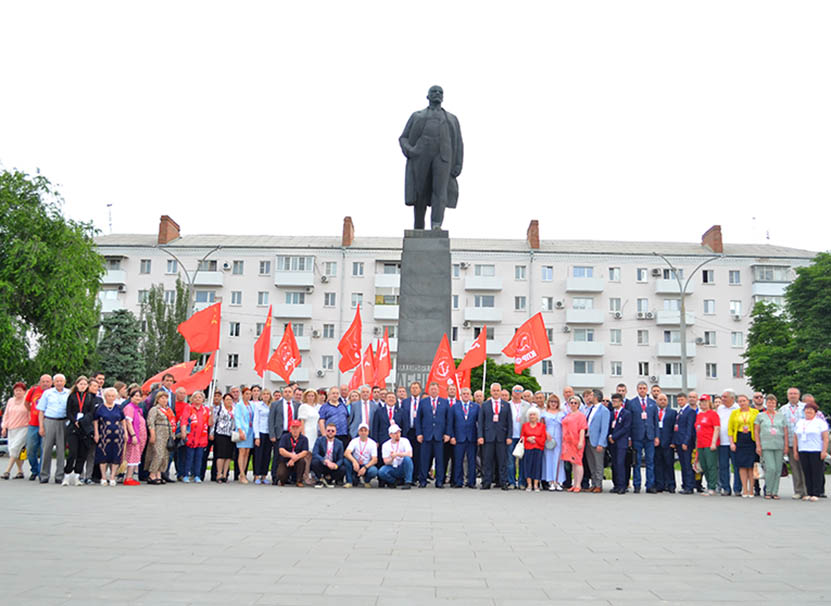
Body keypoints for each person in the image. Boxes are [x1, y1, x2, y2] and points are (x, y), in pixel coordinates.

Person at [399, 84, 464, 230]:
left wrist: (458, 164)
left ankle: (436, 225)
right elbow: (403, 138)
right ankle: (419, 226)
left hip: (443, 156)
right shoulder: (417, 116)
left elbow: (458, 143)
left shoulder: (452, 119)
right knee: (420, 191)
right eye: (434, 91)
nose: (437, 93)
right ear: (427, 96)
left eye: (440, 92)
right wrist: (411, 150)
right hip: (421, 155)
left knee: (440, 191)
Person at [625, 381, 659, 493]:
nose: (642, 390)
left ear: (647, 390)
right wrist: (629, 438)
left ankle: (650, 485)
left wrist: (656, 436)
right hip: (636, 436)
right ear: (637, 390)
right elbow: (629, 422)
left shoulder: (652, 403)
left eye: (644, 388)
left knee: (650, 462)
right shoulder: (632, 403)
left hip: (650, 436)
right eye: (640, 388)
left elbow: (655, 421)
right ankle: (637, 484)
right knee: (637, 462)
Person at [415, 382, 450, 488]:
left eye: (435, 389)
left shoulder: (444, 402)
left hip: (439, 436)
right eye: (432, 389)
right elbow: (418, 419)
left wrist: (447, 433)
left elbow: (448, 419)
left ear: (438, 390)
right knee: (424, 459)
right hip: (426, 435)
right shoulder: (423, 402)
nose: (433, 391)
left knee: (440, 460)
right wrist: (419, 433)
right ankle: (422, 480)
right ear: (429, 391)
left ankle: (439, 481)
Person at [63, 375, 97, 486]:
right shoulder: (72, 397)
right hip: (73, 427)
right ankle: (67, 475)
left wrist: (82, 421)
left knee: (82, 453)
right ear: (77, 385)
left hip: (85, 428)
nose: (83, 386)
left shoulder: (90, 397)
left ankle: (78, 476)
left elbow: (91, 412)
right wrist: (75, 421)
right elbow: (68, 412)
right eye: (81, 384)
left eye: (85, 384)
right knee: (72, 453)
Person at [793, 401, 828, 502]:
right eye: (807, 409)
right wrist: (795, 451)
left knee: (816, 472)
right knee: (806, 472)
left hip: (816, 450)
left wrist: (824, 451)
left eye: (811, 410)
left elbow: (825, 438)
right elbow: (795, 437)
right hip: (803, 449)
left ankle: (816, 493)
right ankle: (809, 492)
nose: (808, 411)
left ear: (815, 412)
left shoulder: (820, 423)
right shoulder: (800, 422)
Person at [478, 383, 510, 490]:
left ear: (500, 391)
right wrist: (480, 436)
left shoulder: (506, 405)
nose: (496, 392)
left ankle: (503, 482)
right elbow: (481, 422)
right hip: (488, 437)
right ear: (491, 392)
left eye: (497, 390)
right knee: (487, 461)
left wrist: (509, 436)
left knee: (502, 461)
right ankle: (486, 482)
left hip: (502, 437)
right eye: (494, 391)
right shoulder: (485, 405)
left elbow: (509, 422)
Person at [755, 394, 787, 499]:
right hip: (766, 445)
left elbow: (785, 432)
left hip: (779, 445)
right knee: (771, 468)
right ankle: (768, 491)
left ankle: (775, 491)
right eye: (769, 402)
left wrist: (786, 446)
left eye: (773, 402)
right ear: (766, 403)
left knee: (778, 469)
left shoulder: (781, 416)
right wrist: (758, 445)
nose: (771, 404)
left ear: (776, 404)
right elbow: (756, 431)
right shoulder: (760, 416)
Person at [727, 394, 759, 498]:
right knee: (742, 465)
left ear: (748, 401)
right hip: (740, 439)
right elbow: (730, 429)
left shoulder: (755, 412)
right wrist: (732, 443)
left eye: (744, 401)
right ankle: (744, 489)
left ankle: (751, 490)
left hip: (751, 439)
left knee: (751, 465)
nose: (742, 403)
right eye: (740, 401)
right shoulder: (734, 413)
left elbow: (758, 427)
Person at [93, 387, 126, 486]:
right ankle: (103, 477)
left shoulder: (119, 408)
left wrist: (125, 432)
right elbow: (95, 421)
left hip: (117, 435)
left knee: (116, 455)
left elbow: (123, 420)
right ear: (105, 396)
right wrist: (96, 433)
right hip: (104, 435)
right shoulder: (100, 408)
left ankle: (112, 477)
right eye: (108, 396)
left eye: (112, 396)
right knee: (102, 455)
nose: (110, 398)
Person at [449, 387, 479, 489]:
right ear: (461, 395)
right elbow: (451, 423)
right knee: (458, 460)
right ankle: (458, 481)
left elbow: (479, 423)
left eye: (467, 394)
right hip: (458, 437)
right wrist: (452, 436)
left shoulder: (475, 407)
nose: (466, 395)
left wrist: (479, 436)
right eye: (464, 394)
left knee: (472, 461)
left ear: (470, 395)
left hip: (472, 437)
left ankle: (471, 482)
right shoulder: (455, 407)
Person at [24, 374, 51, 481]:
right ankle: (34, 469)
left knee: (44, 449)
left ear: (51, 383)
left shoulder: (53, 392)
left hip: (47, 424)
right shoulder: (33, 391)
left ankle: (41, 472)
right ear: (40, 382)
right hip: (33, 424)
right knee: (30, 449)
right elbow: (26, 403)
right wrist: (31, 412)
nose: (45, 383)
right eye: (43, 381)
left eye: (47, 381)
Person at [781, 387, 806, 499]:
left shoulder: (805, 407)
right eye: (790, 394)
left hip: (804, 443)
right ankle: (798, 491)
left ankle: (807, 491)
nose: (793, 395)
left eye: (795, 393)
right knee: (795, 468)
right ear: (787, 396)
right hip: (790, 443)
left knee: (805, 467)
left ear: (799, 395)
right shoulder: (783, 409)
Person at [180, 391, 211, 483]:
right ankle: (186, 474)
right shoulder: (189, 408)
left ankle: (197, 475)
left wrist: (212, 412)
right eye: (196, 397)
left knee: (199, 457)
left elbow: (210, 423)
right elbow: (184, 420)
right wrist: (183, 431)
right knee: (189, 456)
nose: (198, 399)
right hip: (191, 436)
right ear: (192, 399)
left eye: (200, 397)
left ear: (203, 399)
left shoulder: (205, 410)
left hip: (202, 437)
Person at [145, 392, 175, 485]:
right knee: (158, 454)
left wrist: (172, 434)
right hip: (158, 433)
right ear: (157, 399)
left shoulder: (169, 410)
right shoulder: (155, 409)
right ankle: (152, 474)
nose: (164, 400)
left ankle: (159, 473)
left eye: (166, 398)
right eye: (162, 398)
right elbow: (151, 422)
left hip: (167, 434)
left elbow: (172, 422)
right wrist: (152, 434)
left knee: (165, 455)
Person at [584, 389, 610, 493]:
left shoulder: (604, 410)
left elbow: (604, 428)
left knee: (598, 464)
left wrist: (601, 443)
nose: (589, 397)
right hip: (588, 439)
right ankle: (593, 483)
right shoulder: (590, 409)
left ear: (596, 397)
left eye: (591, 395)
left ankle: (599, 484)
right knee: (591, 463)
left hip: (597, 441)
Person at [716, 390, 741, 497]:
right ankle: (726, 488)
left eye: (725, 397)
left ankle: (737, 488)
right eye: (722, 397)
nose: (722, 399)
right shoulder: (720, 408)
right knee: (723, 466)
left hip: (735, 442)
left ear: (732, 398)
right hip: (722, 442)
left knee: (736, 466)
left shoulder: (738, 408)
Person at [2, 382, 29, 480]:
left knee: (15, 448)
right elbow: (6, 415)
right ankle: (20, 471)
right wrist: (4, 427)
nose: (18, 392)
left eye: (20, 390)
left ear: (24, 391)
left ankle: (7, 471)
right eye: (16, 390)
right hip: (12, 428)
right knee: (14, 450)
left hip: (23, 427)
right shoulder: (10, 401)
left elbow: (30, 414)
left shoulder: (26, 401)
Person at [505, 385, 531, 489]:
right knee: (510, 461)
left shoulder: (527, 405)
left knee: (522, 461)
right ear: (512, 392)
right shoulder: (507, 405)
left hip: (522, 437)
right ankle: (511, 482)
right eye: (515, 390)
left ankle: (521, 482)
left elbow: (529, 421)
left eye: (520, 391)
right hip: (510, 436)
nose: (517, 392)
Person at [695, 395, 720, 495]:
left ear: (709, 403)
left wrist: (713, 442)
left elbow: (716, 428)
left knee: (711, 465)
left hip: (709, 443)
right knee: (704, 466)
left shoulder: (713, 414)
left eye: (705, 401)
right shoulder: (699, 415)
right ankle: (709, 483)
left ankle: (712, 487)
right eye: (702, 402)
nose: (703, 403)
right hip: (700, 444)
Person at [562, 396, 588, 493]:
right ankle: (574, 483)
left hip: (576, 441)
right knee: (573, 463)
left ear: (578, 405)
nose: (573, 404)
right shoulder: (568, 415)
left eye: (575, 403)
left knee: (578, 462)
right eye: (571, 403)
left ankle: (578, 484)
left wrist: (581, 441)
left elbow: (582, 429)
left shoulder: (581, 416)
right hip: (568, 442)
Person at [608, 393, 632, 494]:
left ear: (621, 402)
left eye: (616, 401)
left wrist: (614, 437)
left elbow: (625, 428)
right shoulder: (611, 413)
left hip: (621, 441)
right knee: (614, 464)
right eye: (613, 401)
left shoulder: (626, 413)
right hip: (612, 442)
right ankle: (616, 485)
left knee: (620, 463)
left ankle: (622, 485)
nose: (614, 403)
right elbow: (609, 426)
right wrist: (609, 436)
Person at [122, 387, 146, 486]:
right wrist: (133, 435)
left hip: (140, 436)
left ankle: (130, 476)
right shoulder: (129, 408)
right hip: (133, 436)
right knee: (132, 455)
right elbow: (128, 422)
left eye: (139, 396)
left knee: (135, 456)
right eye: (136, 396)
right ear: (131, 397)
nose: (138, 398)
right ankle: (128, 477)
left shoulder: (138, 408)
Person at [541, 394, 566, 491]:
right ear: (548, 403)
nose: (553, 404)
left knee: (558, 460)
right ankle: (550, 481)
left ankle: (558, 481)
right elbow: (542, 426)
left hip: (559, 438)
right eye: (551, 402)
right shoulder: (544, 413)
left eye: (555, 402)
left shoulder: (562, 413)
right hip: (548, 438)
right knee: (549, 459)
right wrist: (546, 433)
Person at [654, 393, 678, 493]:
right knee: (658, 464)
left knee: (669, 464)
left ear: (667, 401)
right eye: (660, 400)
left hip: (668, 443)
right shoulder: (653, 412)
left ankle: (671, 485)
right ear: (656, 401)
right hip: (656, 442)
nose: (662, 401)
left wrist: (673, 442)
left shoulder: (673, 413)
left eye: (664, 400)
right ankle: (660, 485)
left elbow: (675, 429)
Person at [674, 393, 697, 494]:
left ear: (686, 400)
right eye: (678, 400)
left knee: (687, 465)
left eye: (682, 400)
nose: (680, 402)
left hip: (685, 442)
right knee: (683, 464)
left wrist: (686, 442)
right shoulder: (681, 411)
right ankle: (685, 485)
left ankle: (689, 486)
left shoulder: (690, 411)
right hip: (679, 441)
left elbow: (689, 428)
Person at [378, 424, 413, 489]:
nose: (398, 435)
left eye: (399, 432)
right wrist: (392, 458)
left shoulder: (405, 441)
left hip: (402, 466)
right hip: (392, 466)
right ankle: (393, 481)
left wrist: (397, 454)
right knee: (382, 471)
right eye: (395, 433)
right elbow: (386, 462)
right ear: (390, 435)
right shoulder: (385, 445)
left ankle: (408, 482)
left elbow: (410, 454)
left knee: (407, 459)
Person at [311, 422, 346, 487]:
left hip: (332, 466)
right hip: (323, 464)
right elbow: (315, 453)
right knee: (314, 462)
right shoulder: (319, 440)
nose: (330, 432)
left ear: (335, 432)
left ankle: (329, 479)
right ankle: (320, 479)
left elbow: (341, 458)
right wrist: (325, 461)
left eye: (332, 431)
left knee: (343, 468)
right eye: (328, 430)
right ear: (325, 431)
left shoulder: (339, 443)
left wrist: (336, 465)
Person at [211, 393, 236, 483]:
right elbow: (214, 422)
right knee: (221, 455)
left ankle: (225, 475)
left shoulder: (234, 409)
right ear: (223, 400)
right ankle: (219, 474)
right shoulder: (220, 409)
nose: (229, 401)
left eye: (230, 400)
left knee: (228, 456)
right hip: (220, 434)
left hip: (230, 434)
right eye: (227, 399)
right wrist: (211, 433)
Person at [520, 407, 546, 492]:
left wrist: (535, 439)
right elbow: (522, 437)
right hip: (528, 448)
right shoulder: (525, 425)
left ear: (537, 416)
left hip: (538, 448)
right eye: (530, 415)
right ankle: (529, 484)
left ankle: (536, 485)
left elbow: (543, 438)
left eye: (534, 415)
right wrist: (527, 439)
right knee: (527, 466)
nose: (532, 416)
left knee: (537, 466)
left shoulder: (542, 426)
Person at [297, 388, 320, 485]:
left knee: (310, 455)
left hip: (314, 432)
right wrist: (303, 434)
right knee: (306, 455)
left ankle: (308, 474)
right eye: (309, 395)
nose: (311, 397)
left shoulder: (315, 407)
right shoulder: (303, 407)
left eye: (312, 396)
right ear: (306, 397)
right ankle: (305, 475)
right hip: (307, 431)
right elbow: (302, 421)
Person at [345, 423, 379, 487]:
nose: (363, 432)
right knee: (346, 461)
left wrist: (365, 467)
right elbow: (346, 453)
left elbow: (375, 459)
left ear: (368, 432)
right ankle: (349, 482)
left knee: (373, 471)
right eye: (361, 430)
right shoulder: (354, 441)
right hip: (356, 465)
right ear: (358, 432)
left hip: (366, 465)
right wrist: (354, 461)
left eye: (365, 430)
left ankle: (366, 481)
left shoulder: (372, 443)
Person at [276, 420, 309, 486]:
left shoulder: (304, 439)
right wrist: (291, 456)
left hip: (297, 461)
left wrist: (294, 459)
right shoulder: (285, 437)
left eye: (297, 428)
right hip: (286, 461)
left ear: (300, 429)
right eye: (293, 428)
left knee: (302, 461)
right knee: (281, 474)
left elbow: (305, 452)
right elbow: (281, 450)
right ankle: (282, 480)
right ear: (290, 428)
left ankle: (299, 481)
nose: (295, 430)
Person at [402, 381, 422, 483]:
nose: (414, 389)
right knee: (407, 454)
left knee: (418, 455)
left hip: (419, 432)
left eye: (416, 388)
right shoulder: (405, 402)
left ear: (420, 390)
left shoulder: (424, 401)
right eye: (413, 388)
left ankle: (415, 477)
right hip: (407, 431)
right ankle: (406, 476)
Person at [252, 388, 273, 484]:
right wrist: (257, 436)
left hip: (269, 433)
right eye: (264, 394)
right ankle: (256, 475)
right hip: (260, 432)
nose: (266, 396)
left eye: (267, 394)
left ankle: (264, 476)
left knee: (267, 455)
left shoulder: (272, 406)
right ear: (261, 396)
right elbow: (255, 421)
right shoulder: (258, 406)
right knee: (258, 455)